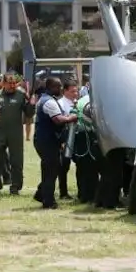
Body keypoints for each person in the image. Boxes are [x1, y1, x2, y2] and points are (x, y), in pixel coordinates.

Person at [32, 77, 78, 209]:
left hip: (46, 140)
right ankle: (49, 201)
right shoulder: (49, 102)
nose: (60, 89)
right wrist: (72, 118)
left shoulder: (45, 99)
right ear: (50, 87)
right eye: (58, 87)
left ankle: (41, 194)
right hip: (47, 141)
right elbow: (58, 120)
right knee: (51, 170)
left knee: (52, 168)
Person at [0, 73, 29, 195]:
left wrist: (31, 102)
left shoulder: (21, 95)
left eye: (14, 83)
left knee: (16, 160)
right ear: (3, 83)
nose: (12, 85)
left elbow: (29, 113)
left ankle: (15, 186)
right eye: (9, 83)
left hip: (15, 132)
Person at [71, 86, 103, 204]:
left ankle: (82, 194)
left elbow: (72, 115)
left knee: (81, 168)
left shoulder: (79, 101)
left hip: (79, 136)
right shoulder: (96, 101)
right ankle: (92, 194)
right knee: (92, 167)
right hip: (93, 136)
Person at [56, 79, 80, 200]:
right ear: (65, 91)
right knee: (64, 166)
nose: (75, 94)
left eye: (76, 91)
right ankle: (63, 192)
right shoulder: (60, 103)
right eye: (72, 91)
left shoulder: (79, 102)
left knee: (81, 165)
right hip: (65, 139)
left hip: (78, 138)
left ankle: (82, 191)